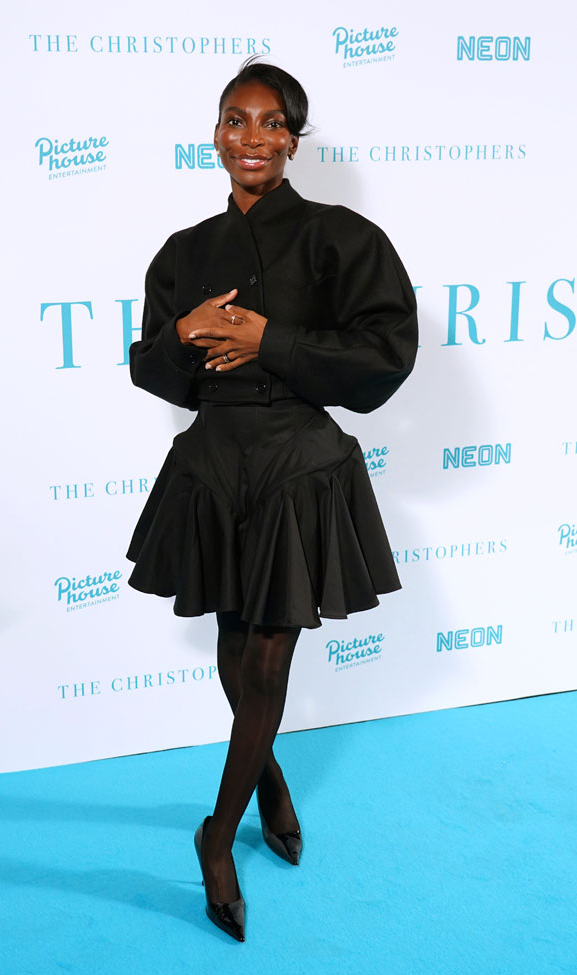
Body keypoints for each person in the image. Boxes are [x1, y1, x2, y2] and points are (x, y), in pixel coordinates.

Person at [126, 59, 417, 942]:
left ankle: (217, 836)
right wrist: (180, 334)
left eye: (269, 123)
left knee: (266, 660)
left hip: (298, 461)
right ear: (216, 134)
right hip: (214, 461)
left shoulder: (342, 238)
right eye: (234, 121)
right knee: (231, 639)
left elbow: (384, 357)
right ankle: (271, 779)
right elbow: (151, 369)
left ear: (294, 137)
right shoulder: (181, 252)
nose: (251, 138)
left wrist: (270, 338)